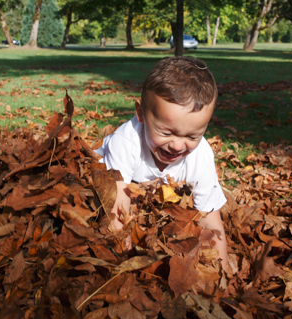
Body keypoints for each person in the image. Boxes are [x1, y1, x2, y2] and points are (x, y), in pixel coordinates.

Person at [96, 57, 229, 270]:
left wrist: (222, 270)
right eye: (166, 132)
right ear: (141, 113)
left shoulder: (201, 155)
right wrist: (125, 264)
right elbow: (117, 208)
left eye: (192, 136)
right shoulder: (125, 142)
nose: (177, 145)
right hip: (109, 181)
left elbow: (210, 217)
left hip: (149, 195)